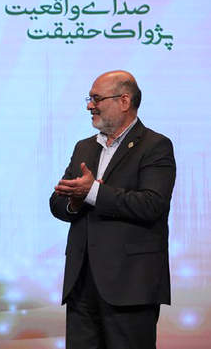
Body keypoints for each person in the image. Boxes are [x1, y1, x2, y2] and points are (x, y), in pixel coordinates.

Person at [50, 70, 176, 348]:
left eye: (97, 98)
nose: (89, 106)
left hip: (130, 286)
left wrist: (92, 192)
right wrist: (74, 202)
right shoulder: (84, 147)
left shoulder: (156, 146)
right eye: (89, 98)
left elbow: (152, 204)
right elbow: (58, 202)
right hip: (81, 285)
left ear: (124, 101)